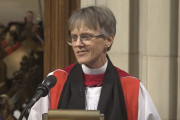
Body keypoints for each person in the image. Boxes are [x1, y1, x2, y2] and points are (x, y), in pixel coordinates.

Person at [28, 6, 160, 120]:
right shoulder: (56, 81)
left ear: (108, 40)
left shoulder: (132, 88)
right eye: (74, 37)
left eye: (86, 36)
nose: (78, 44)